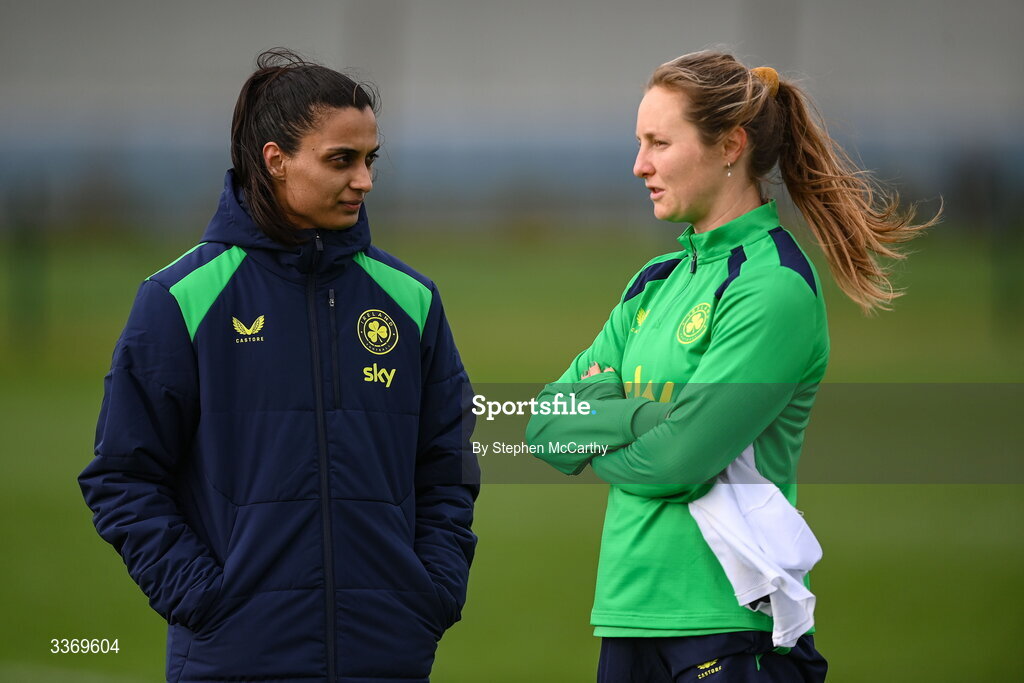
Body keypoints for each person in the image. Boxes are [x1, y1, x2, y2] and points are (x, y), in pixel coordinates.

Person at [526, 51, 940, 682]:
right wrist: (657, 419)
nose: (640, 165)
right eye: (640, 143)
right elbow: (545, 428)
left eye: (659, 143)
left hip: (728, 624)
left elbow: (679, 461)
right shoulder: (656, 279)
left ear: (730, 146)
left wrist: (609, 415)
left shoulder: (770, 287)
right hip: (628, 616)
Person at [79, 48, 479, 683]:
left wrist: (429, 593)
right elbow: (123, 477)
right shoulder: (181, 298)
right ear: (275, 160)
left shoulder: (411, 300)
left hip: (388, 654)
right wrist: (205, 601)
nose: (365, 180)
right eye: (341, 160)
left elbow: (447, 466)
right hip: (233, 655)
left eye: (370, 159)